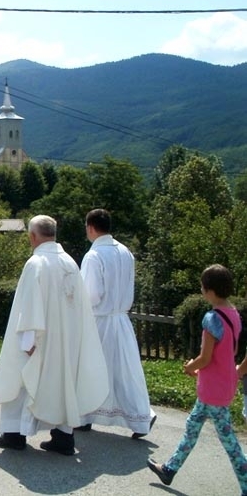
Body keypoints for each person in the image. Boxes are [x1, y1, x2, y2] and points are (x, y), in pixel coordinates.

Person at [0, 215, 109, 455]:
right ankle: (64, 437)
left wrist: (28, 342)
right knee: (64, 384)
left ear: (33, 236)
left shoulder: (36, 263)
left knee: (23, 380)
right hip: (67, 339)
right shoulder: (70, 262)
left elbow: (30, 306)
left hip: (40, 339)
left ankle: (14, 434)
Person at [148, 265, 247, 494]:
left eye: (203, 286)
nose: (201, 290)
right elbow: (226, 353)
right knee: (192, 426)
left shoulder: (212, 318)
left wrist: (190, 366)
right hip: (222, 382)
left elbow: (205, 358)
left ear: (210, 290)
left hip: (213, 388)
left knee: (229, 441)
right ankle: (169, 469)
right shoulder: (234, 313)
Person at [76, 209, 156, 438]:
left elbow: (91, 295)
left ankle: (85, 416)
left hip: (100, 321)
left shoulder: (94, 256)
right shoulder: (125, 252)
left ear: (91, 227)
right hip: (121, 319)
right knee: (125, 372)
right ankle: (141, 416)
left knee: (92, 370)